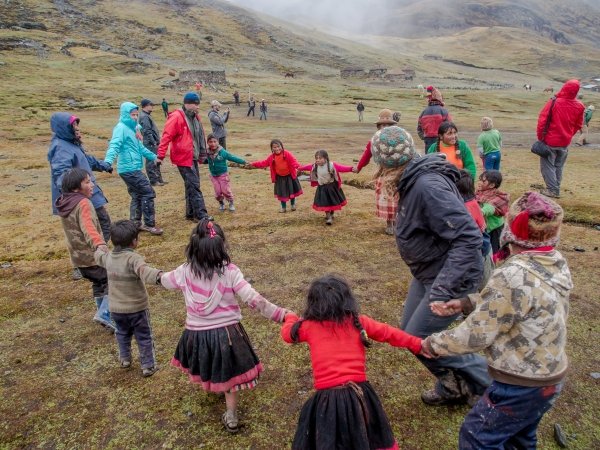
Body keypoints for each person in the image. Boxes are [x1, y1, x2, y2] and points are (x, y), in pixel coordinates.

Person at [424, 191, 572, 450]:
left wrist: (434, 345)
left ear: (510, 232)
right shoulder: (553, 263)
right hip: (550, 377)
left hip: (520, 381)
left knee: (477, 437)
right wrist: (467, 303)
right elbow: (520, 302)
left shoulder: (512, 275)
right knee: (520, 436)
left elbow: (477, 333)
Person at [161, 219, 288, 433]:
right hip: (227, 335)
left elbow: (164, 280)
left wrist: (145, 272)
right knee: (229, 374)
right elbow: (253, 299)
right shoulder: (228, 272)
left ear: (193, 246)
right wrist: (281, 315)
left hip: (197, 334)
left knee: (209, 362)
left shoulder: (184, 271)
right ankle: (231, 415)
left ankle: (218, 391)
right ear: (221, 247)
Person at [281, 274, 424, 450]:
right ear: (347, 299)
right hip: (361, 395)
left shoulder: (308, 326)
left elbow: (287, 335)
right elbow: (389, 333)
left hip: (327, 399)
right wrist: (418, 344)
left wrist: (291, 317)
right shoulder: (359, 322)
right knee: (368, 436)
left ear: (313, 302)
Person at [395, 152, 491, 406]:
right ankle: (454, 386)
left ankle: (490, 384)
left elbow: (469, 237)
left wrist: (442, 289)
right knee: (410, 336)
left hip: (450, 277)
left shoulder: (427, 186)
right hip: (430, 271)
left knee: (419, 338)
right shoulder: (413, 180)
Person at [48, 112, 113, 279]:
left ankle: (95, 257)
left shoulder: (71, 143)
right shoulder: (61, 147)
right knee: (93, 226)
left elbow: (86, 160)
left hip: (88, 191)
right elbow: (61, 174)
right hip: (80, 196)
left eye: (77, 125)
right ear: (64, 128)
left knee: (99, 224)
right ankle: (90, 261)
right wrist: (74, 193)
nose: (77, 128)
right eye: (73, 126)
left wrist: (103, 165)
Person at [94, 220, 162, 377]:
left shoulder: (109, 257)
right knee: (144, 336)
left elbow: (99, 257)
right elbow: (145, 272)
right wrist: (160, 276)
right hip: (137, 308)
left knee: (122, 333)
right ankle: (148, 366)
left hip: (116, 309)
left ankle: (125, 359)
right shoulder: (134, 258)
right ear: (134, 241)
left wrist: (99, 248)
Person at [54, 168, 114, 331]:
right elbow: (88, 227)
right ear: (75, 188)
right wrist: (99, 245)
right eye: (87, 182)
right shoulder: (83, 203)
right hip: (93, 257)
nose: (92, 184)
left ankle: (103, 312)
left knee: (99, 283)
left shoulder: (65, 202)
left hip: (79, 259)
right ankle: (106, 314)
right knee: (113, 279)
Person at [104, 102, 163, 236]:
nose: (135, 117)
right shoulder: (121, 128)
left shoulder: (134, 129)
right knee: (148, 192)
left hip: (133, 167)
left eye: (136, 114)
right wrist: (108, 161)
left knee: (137, 195)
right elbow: (114, 145)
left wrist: (154, 157)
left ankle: (135, 223)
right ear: (126, 115)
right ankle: (149, 224)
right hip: (129, 169)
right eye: (132, 115)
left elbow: (140, 148)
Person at [157, 92, 212, 223]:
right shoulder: (176, 117)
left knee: (190, 185)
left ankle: (191, 213)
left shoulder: (195, 117)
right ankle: (201, 216)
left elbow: (199, 136)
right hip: (183, 158)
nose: (198, 107)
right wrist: (160, 155)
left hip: (192, 156)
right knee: (194, 185)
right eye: (196, 104)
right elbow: (166, 136)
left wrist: (203, 155)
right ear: (188, 103)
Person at [354, 110, 405, 235]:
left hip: (398, 172)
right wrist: (359, 167)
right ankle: (389, 223)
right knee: (386, 198)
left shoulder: (400, 139)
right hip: (383, 172)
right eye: (382, 125)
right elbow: (367, 155)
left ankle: (397, 222)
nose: (385, 128)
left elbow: (407, 153)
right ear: (378, 127)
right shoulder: (374, 141)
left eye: (388, 125)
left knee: (398, 197)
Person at [536, 79, 584, 198]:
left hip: (550, 140)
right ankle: (555, 188)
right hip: (565, 142)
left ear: (565, 87)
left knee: (547, 166)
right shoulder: (580, 106)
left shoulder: (554, 102)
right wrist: (568, 134)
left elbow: (542, 120)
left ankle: (552, 190)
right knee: (558, 165)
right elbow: (578, 125)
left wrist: (541, 137)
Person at [456, 170, 493, 290]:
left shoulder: (462, 209)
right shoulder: (472, 201)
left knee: (480, 283)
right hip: (484, 246)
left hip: (477, 250)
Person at [298, 149, 353, 225]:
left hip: (331, 187)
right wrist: (299, 168)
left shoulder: (332, 165)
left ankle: (332, 212)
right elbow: (306, 167)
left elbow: (342, 168)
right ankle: (328, 216)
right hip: (322, 188)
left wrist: (351, 169)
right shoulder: (315, 166)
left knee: (332, 201)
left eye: (320, 158)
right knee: (325, 202)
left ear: (325, 158)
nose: (317, 160)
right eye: (316, 158)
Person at [249, 139, 303, 213]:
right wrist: (253, 164)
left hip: (289, 176)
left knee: (291, 191)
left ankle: (293, 204)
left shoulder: (287, 154)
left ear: (282, 146)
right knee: (282, 193)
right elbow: (264, 163)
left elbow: (294, 162)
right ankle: (283, 207)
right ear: (271, 148)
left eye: (278, 146)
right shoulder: (272, 157)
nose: (277, 148)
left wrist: (300, 167)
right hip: (280, 178)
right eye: (274, 147)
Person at [204, 134, 246, 212]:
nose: (213, 144)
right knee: (218, 192)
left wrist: (243, 162)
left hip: (223, 174)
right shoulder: (207, 152)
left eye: (214, 141)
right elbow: (201, 157)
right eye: (210, 142)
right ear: (207, 143)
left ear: (218, 142)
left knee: (225, 190)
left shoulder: (222, 152)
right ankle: (221, 203)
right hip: (214, 176)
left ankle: (231, 202)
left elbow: (232, 157)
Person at [476, 170, 509, 255]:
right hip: (487, 225)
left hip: (495, 227)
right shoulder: (480, 192)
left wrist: (481, 212)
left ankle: (497, 260)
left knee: (496, 248)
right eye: (480, 179)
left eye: (483, 181)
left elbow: (491, 208)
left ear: (492, 185)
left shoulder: (497, 196)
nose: (479, 182)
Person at [139, 99, 166, 187]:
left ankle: (159, 179)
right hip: (150, 143)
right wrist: (153, 142)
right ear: (146, 106)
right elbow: (147, 131)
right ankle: (154, 181)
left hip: (153, 142)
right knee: (151, 161)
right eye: (151, 105)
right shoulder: (144, 116)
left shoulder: (146, 115)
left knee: (156, 161)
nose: (152, 106)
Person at [417, 85, 451, 151]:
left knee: (429, 160)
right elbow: (450, 127)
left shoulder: (423, 112)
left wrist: (425, 138)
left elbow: (419, 129)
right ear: (440, 99)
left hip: (428, 143)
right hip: (441, 142)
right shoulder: (444, 111)